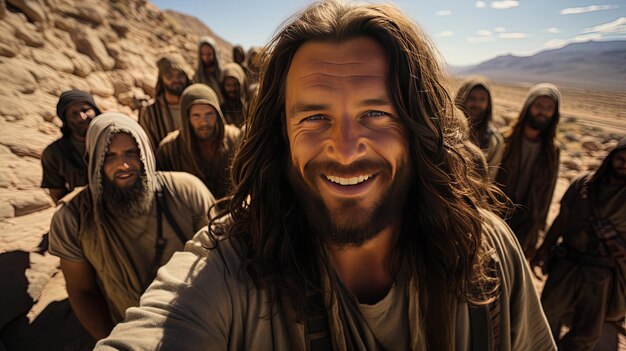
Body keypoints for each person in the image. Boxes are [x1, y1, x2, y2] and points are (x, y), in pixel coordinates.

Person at [97, 1, 555, 350]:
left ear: (421, 126)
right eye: (314, 118)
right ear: (282, 132)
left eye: (376, 113)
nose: (346, 147)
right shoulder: (232, 272)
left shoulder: (487, 257)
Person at [48, 112, 215, 341]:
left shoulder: (186, 192)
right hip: (132, 335)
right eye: (109, 156)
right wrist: (115, 340)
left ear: (145, 152)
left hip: (204, 326)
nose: (123, 164)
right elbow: (82, 290)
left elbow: (219, 261)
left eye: (131, 153)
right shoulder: (73, 218)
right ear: (94, 159)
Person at [531, 139, 626, 350]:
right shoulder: (583, 183)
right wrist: (544, 248)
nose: (624, 164)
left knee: (587, 332)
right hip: (568, 262)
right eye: (620, 158)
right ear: (611, 158)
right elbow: (562, 219)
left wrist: (614, 240)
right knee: (546, 317)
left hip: (601, 273)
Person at [495, 83, 561, 258]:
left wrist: (538, 230)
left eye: (549, 108)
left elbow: (548, 193)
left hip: (526, 223)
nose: (543, 112)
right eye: (538, 105)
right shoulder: (504, 139)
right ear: (528, 107)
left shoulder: (552, 151)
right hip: (496, 213)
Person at [156, 84, 241, 200]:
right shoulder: (169, 149)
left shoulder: (235, 139)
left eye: (209, 114)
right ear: (187, 118)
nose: (204, 122)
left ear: (217, 113)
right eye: (196, 116)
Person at [41, 90, 102, 203]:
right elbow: (58, 196)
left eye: (85, 110)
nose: (81, 117)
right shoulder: (54, 153)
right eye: (73, 114)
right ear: (66, 120)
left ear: (96, 111)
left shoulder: (114, 140)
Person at [455, 76, 504, 180]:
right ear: (462, 99)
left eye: (482, 99)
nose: (477, 104)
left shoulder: (494, 141)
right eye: (472, 98)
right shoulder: (448, 130)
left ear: (488, 103)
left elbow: (489, 179)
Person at [138, 54, 191, 152]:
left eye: (180, 75)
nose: (176, 80)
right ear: (161, 79)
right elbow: (148, 150)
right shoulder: (150, 113)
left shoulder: (196, 106)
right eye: (169, 76)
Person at [193, 36, 224, 103]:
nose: (206, 58)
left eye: (209, 54)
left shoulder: (222, 73)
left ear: (214, 53)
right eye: (203, 54)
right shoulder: (197, 76)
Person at [220, 62, 247, 127]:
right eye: (228, 85)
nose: (232, 89)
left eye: (235, 85)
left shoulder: (249, 106)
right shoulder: (221, 109)